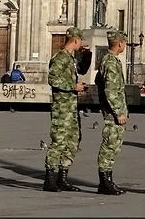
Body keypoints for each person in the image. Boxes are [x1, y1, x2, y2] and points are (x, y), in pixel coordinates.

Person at [44, 27, 92, 192]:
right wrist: (73, 86)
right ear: (75, 40)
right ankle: (49, 177)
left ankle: (63, 177)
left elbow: (81, 69)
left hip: (71, 107)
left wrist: (87, 56)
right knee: (58, 141)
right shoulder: (60, 58)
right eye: (80, 42)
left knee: (73, 141)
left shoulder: (71, 58)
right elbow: (52, 79)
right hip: (61, 107)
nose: (81, 45)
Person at [95, 30, 128, 195]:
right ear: (120, 43)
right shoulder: (111, 62)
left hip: (112, 110)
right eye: (124, 43)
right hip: (112, 113)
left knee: (113, 145)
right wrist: (118, 112)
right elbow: (110, 90)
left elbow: (98, 81)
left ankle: (107, 179)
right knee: (110, 145)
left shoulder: (108, 60)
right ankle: (104, 182)